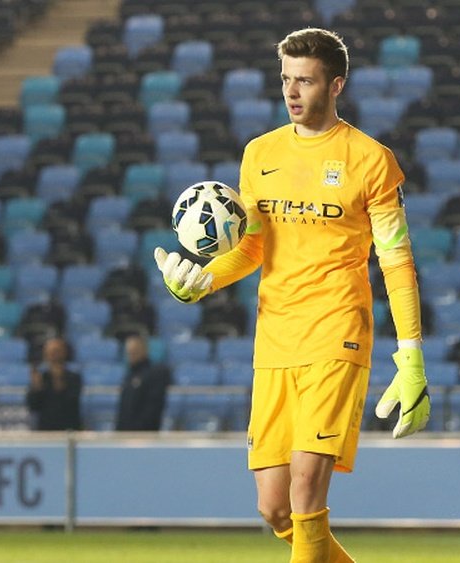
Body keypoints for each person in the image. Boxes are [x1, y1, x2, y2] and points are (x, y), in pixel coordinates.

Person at [155, 28, 430, 562]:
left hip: (337, 334)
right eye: (286, 79)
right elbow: (254, 248)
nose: (292, 91)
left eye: (305, 80)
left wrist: (412, 354)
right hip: (275, 339)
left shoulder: (371, 160)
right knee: (275, 508)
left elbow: (396, 260)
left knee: (306, 492)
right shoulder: (259, 154)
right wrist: (201, 281)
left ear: (336, 84)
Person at [116, 335, 171, 431]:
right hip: (124, 434)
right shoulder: (129, 376)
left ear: (143, 351)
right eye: (129, 353)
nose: (130, 356)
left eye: (134, 352)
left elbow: (153, 408)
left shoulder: (155, 374)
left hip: (144, 434)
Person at [26, 337, 82, 430]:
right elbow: (33, 407)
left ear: (64, 352)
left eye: (56, 351)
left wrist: (58, 378)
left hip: (69, 427)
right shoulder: (41, 378)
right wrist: (37, 387)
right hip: (46, 429)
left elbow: (71, 402)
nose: (53, 355)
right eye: (49, 351)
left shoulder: (74, 377)